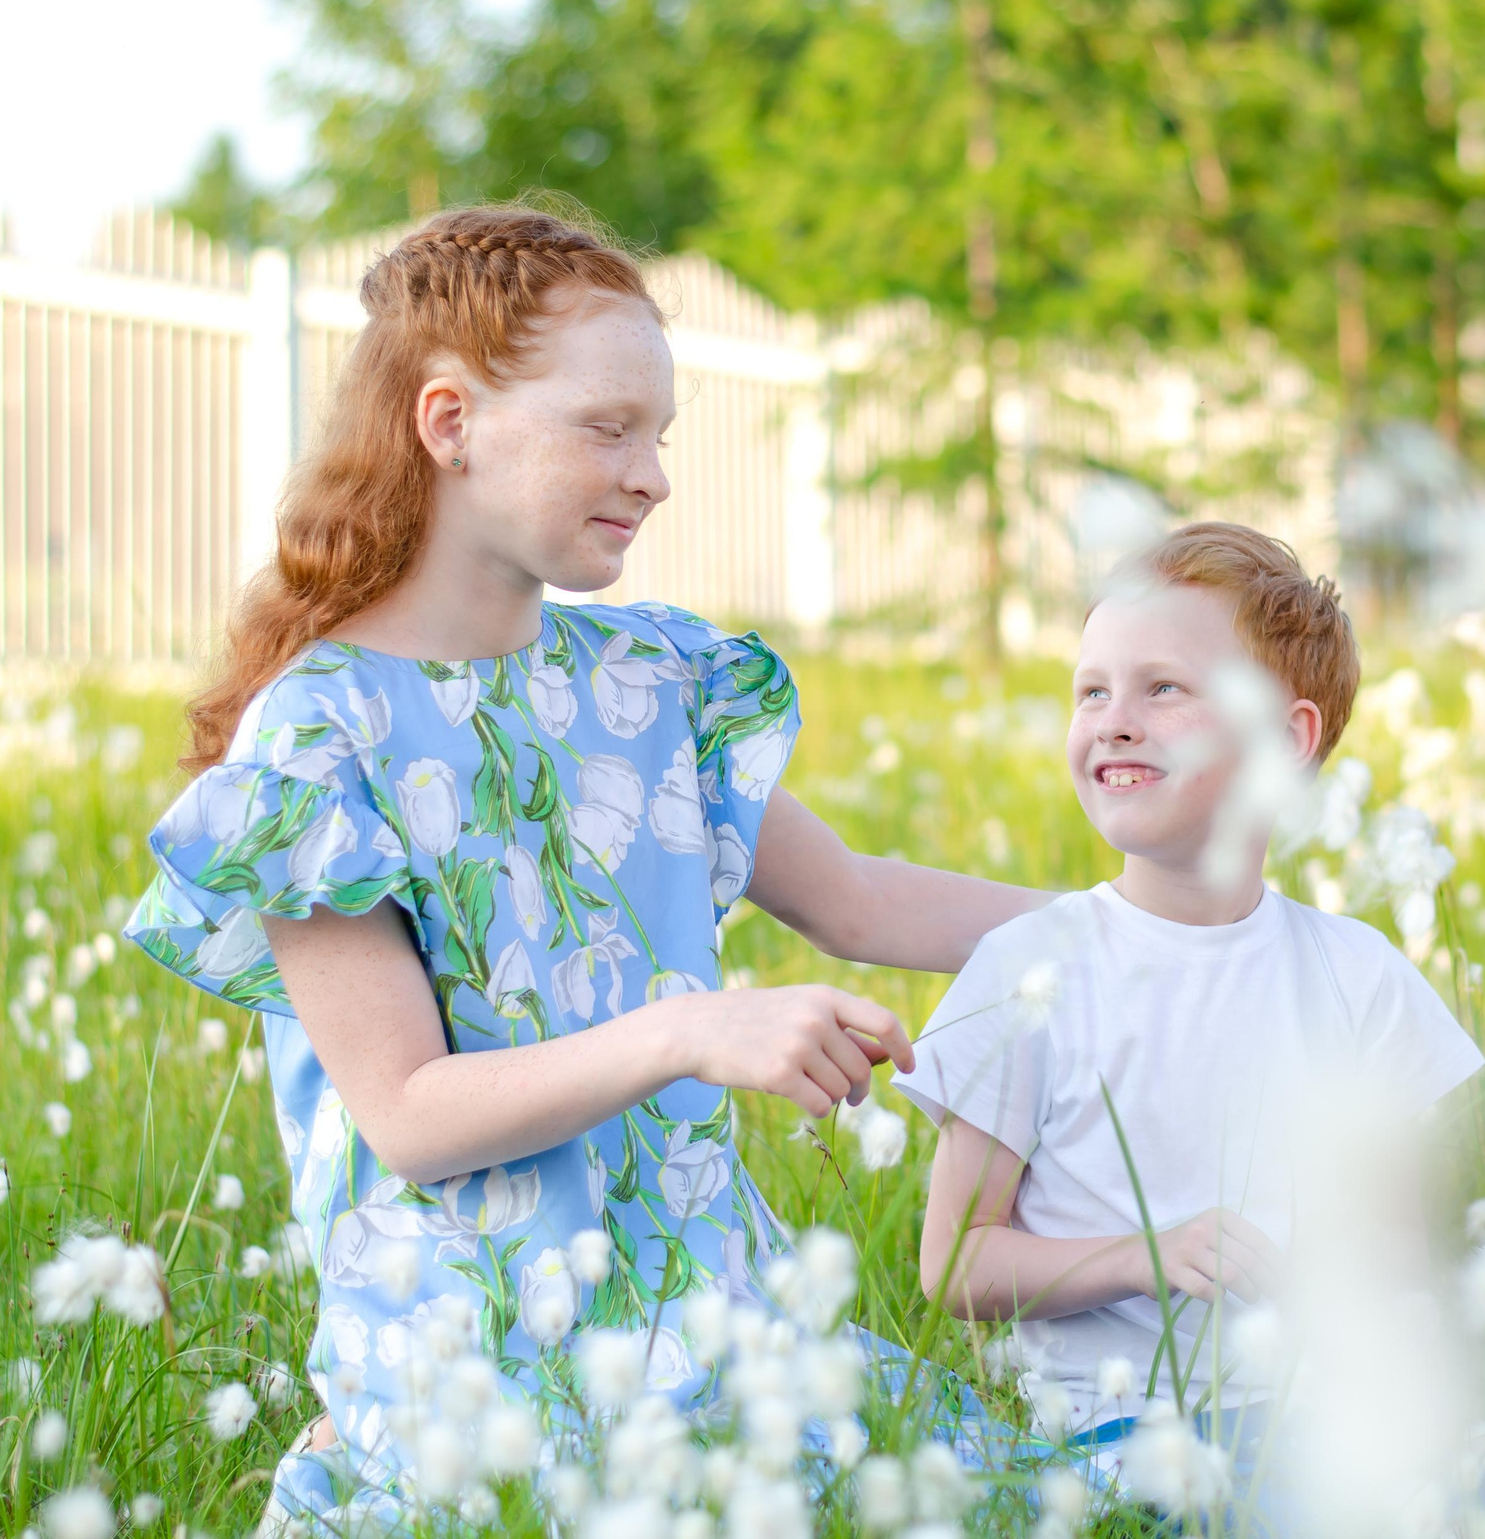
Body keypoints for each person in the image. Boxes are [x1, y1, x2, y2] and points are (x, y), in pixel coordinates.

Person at [124, 205, 1044, 1531]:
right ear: (449, 421)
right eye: (606, 428)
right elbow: (407, 1114)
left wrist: (1132, 926)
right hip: (476, 1373)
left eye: (658, 435)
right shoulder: (323, 741)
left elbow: (859, 901)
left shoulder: (654, 680)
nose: (652, 472)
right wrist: (686, 1030)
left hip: (712, 1329)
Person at [892, 522, 1485, 1529]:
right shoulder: (1028, 972)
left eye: (1164, 689)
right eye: (1091, 690)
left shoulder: (1357, 977)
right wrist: (1150, 1252)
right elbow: (954, 1264)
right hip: (1122, 1434)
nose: (1115, 720)